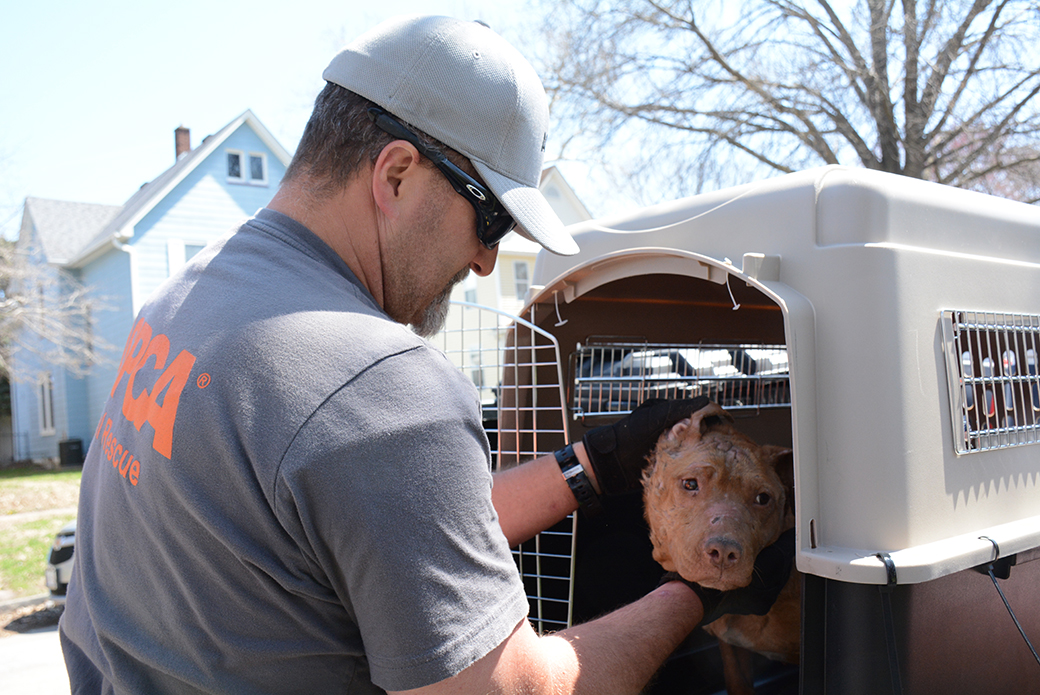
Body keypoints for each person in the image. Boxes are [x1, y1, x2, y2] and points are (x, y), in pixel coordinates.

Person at [60, 15, 793, 695]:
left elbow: (387, 525)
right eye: (490, 218)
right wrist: (694, 590)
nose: (483, 259)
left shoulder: (185, 300)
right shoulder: (374, 384)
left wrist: (592, 460)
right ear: (396, 174)